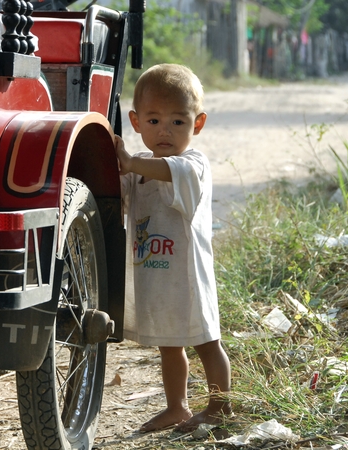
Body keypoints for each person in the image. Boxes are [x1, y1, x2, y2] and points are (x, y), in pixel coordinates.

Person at [113, 63, 232, 433]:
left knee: (206, 341)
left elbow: (172, 172)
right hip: (156, 275)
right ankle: (176, 407)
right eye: (153, 121)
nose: (164, 130)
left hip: (188, 276)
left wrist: (130, 161)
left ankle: (219, 405)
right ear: (135, 122)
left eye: (177, 122)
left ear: (197, 124)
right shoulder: (139, 169)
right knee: (169, 345)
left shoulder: (193, 164)